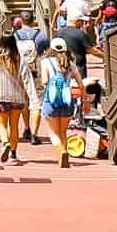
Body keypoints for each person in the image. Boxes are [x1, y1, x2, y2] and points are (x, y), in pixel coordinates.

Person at [0, 35, 30, 164]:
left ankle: (5, 142)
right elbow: (26, 78)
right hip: (17, 97)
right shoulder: (19, 57)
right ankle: (13, 154)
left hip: (1, 95)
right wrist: (29, 95)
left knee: (1, 124)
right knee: (14, 126)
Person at [40, 37, 79, 168]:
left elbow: (44, 81)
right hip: (67, 102)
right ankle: (64, 154)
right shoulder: (71, 64)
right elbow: (80, 83)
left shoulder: (45, 62)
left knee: (53, 133)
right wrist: (84, 99)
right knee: (63, 131)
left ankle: (61, 151)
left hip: (51, 101)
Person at [11, 15, 47, 145]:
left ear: (21, 21)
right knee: (35, 102)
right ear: (33, 20)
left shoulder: (15, 35)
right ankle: (34, 134)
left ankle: (26, 127)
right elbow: (45, 52)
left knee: (24, 100)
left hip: (20, 72)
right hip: (34, 71)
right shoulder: (40, 36)